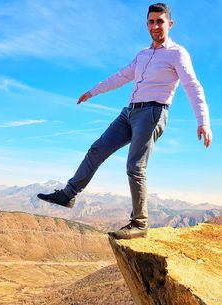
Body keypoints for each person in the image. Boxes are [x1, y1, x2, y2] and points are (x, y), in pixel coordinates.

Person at [37, 3, 212, 239]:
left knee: (135, 167)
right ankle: (69, 194)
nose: (155, 26)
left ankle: (140, 223)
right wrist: (93, 91)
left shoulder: (177, 53)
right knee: (97, 149)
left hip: (153, 113)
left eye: (160, 21)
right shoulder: (142, 54)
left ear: (170, 24)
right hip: (129, 112)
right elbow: (121, 76)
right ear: (147, 24)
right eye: (151, 22)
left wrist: (203, 120)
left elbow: (192, 85)